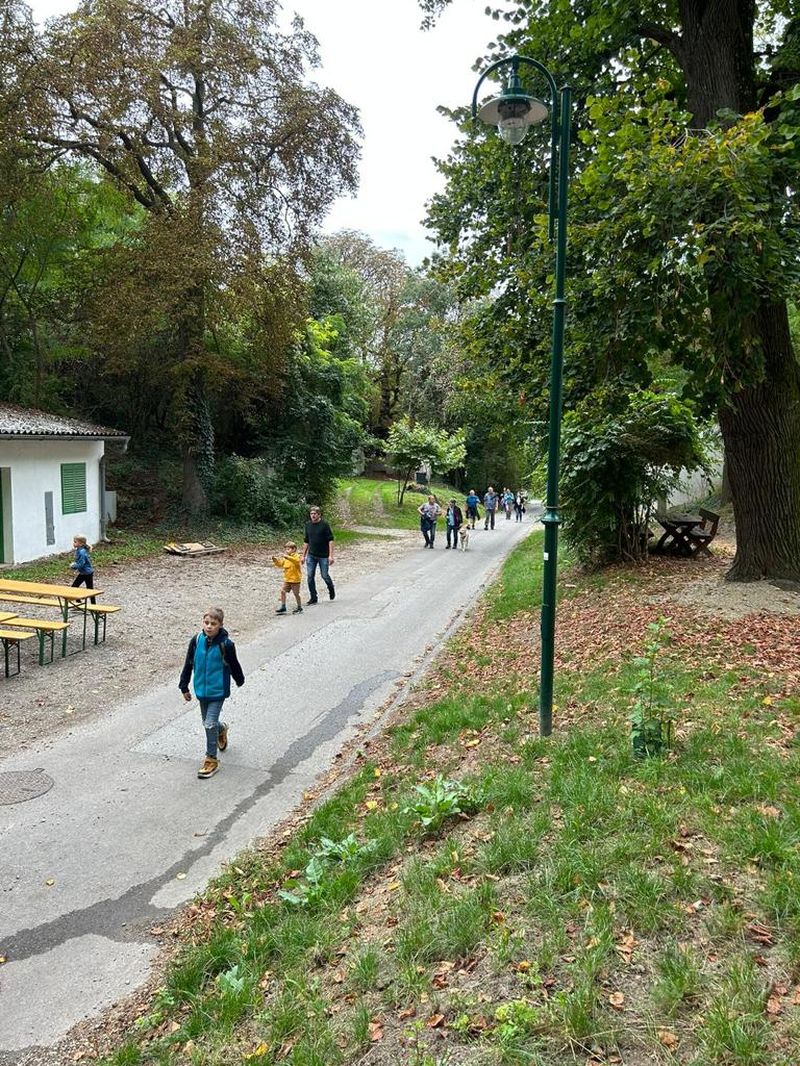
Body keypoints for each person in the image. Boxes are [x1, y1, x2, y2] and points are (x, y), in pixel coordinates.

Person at [179, 607, 245, 779]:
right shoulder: (196, 640)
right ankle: (221, 729)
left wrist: (239, 679)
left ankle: (211, 760)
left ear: (220, 625)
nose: (209, 626)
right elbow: (188, 663)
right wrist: (184, 686)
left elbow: (234, 664)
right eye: (206, 623)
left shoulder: (226, 645)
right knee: (208, 723)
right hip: (201, 690)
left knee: (209, 724)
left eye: (213, 624)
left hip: (218, 690)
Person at [302, 505, 335, 604]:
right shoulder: (308, 525)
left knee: (324, 575)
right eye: (311, 514)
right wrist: (303, 555)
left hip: (323, 555)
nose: (313, 516)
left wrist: (331, 555)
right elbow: (306, 541)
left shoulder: (324, 525)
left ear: (319, 514)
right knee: (310, 576)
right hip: (311, 555)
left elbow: (330, 540)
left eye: (315, 514)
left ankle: (331, 588)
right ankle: (313, 597)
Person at [272, 541, 303, 615]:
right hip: (287, 579)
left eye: (288, 549)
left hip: (295, 580)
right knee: (282, 591)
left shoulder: (297, 556)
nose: (287, 551)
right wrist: (275, 561)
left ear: (294, 549)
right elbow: (280, 564)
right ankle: (283, 606)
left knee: (296, 594)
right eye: (286, 549)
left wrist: (288, 557)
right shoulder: (285, 558)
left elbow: (296, 561)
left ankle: (299, 607)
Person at [69, 535, 96, 604]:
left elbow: (81, 564)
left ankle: (92, 604)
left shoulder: (81, 552)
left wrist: (74, 566)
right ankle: (79, 600)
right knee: (88, 588)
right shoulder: (79, 550)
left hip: (86, 573)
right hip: (85, 572)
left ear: (81, 544)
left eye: (75, 542)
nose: (73, 543)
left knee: (77, 587)